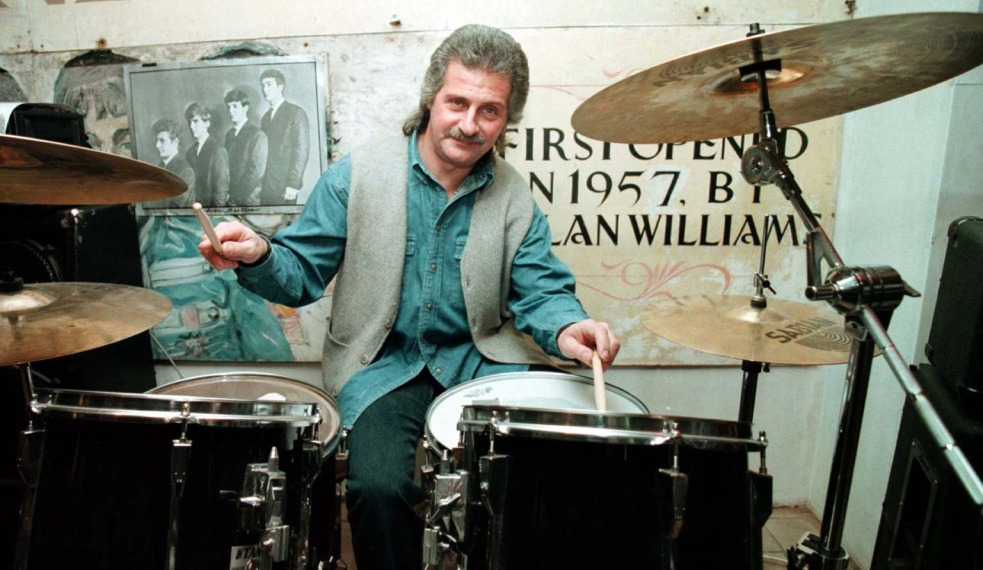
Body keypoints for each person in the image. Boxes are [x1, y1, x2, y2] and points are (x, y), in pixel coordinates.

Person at [198, 24, 619, 569]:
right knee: (377, 488)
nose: (469, 124)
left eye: (489, 111)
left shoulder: (514, 195)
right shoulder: (355, 176)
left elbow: (541, 292)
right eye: (457, 102)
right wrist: (258, 254)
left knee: (538, 476)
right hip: (382, 365)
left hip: (480, 361)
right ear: (431, 99)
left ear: (506, 120)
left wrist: (567, 328)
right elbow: (300, 274)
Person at [258, 68, 310, 205]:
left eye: (269, 84)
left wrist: (293, 184)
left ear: (280, 86)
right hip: (265, 184)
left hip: (285, 186)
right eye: (263, 85)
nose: (264, 89)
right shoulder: (265, 118)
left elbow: (301, 151)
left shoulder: (296, 113)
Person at [223, 89, 267, 207]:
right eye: (229, 107)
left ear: (245, 108)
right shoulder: (229, 135)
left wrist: (235, 198)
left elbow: (255, 172)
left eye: (235, 106)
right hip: (228, 197)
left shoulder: (257, 135)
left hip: (248, 200)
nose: (231, 111)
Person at [184, 102, 230, 207]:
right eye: (189, 122)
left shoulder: (218, 150)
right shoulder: (190, 152)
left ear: (207, 123)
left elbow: (221, 189)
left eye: (195, 121)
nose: (191, 126)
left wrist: (216, 213)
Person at [143, 118, 196, 208]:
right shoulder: (158, 168)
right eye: (157, 140)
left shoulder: (186, 172)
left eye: (162, 140)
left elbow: (175, 209)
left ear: (175, 142)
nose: (157, 145)